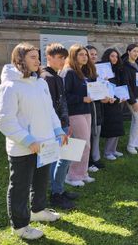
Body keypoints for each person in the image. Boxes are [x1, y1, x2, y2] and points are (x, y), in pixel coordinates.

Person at [0, 42, 64, 240]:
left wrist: (58, 130)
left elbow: (50, 110)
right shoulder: (9, 86)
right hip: (23, 147)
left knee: (41, 181)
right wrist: (27, 140)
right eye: (33, 57)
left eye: (38, 57)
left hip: (45, 144)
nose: (38, 61)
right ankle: (20, 226)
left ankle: (38, 210)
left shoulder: (40, 82)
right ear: (20, 60)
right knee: (20, 186)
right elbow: (5, 121)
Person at [40, 43, 77, 210]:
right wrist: (59, 127)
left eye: (64, 58)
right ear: (49, 57)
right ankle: (55, 194)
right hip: (54, 126)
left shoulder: (57, 76)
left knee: (65, 157)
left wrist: (67, 123)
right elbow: (50, 107)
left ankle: (58, 190)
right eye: (59, 58)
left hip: (62, 124)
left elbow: (63, 103)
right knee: (59, 159)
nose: (62, 61)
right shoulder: (46, 77)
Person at [61, 44, 95, 186]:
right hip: (75, 113)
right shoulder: (69, 73)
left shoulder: (84, 73)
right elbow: (64, 96)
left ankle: (83, 173)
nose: (85, 57)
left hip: (86, 111)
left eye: (86, 55)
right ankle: (72, 176)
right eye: (81, 54)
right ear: (73, 56)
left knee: (87, 143)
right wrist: (82, 99)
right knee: (81, 144)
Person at [84, 45, 108, 171]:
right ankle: (88, 162)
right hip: (88, 106)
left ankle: (94, 158)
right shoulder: (84, 70)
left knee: (96, 132)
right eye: (90, 54)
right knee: (89, 134)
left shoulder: (96, 69)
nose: (93, 56)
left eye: (95, 54)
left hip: (97, 105)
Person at [99, 48, 125, 161]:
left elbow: (119, 85)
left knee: (118, 125)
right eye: (112, 56)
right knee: (111, 127)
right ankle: (107, 152)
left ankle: (113, 150)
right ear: (107, 57)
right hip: (107, 102)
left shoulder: (117, 69)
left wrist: (122, 96)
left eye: (116, 56)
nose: (115, 58)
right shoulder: (101, 68)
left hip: (116, 100)